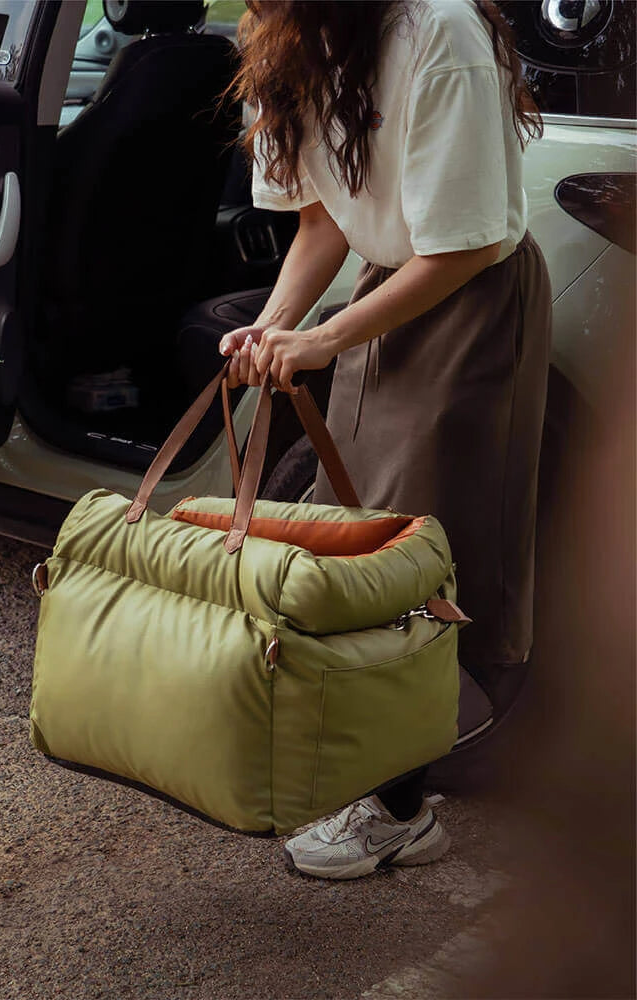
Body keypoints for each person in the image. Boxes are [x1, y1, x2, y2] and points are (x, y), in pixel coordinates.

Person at [220, 0, 552, 879]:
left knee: (427, 560)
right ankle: (381, 778)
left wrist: (325, 338)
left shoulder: (442, 30)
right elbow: (323, 220)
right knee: (357, 543)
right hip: (388, 290)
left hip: (473, 305)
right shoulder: (287, 38)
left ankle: (402, 811)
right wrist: (274, 326)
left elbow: (468, 247)